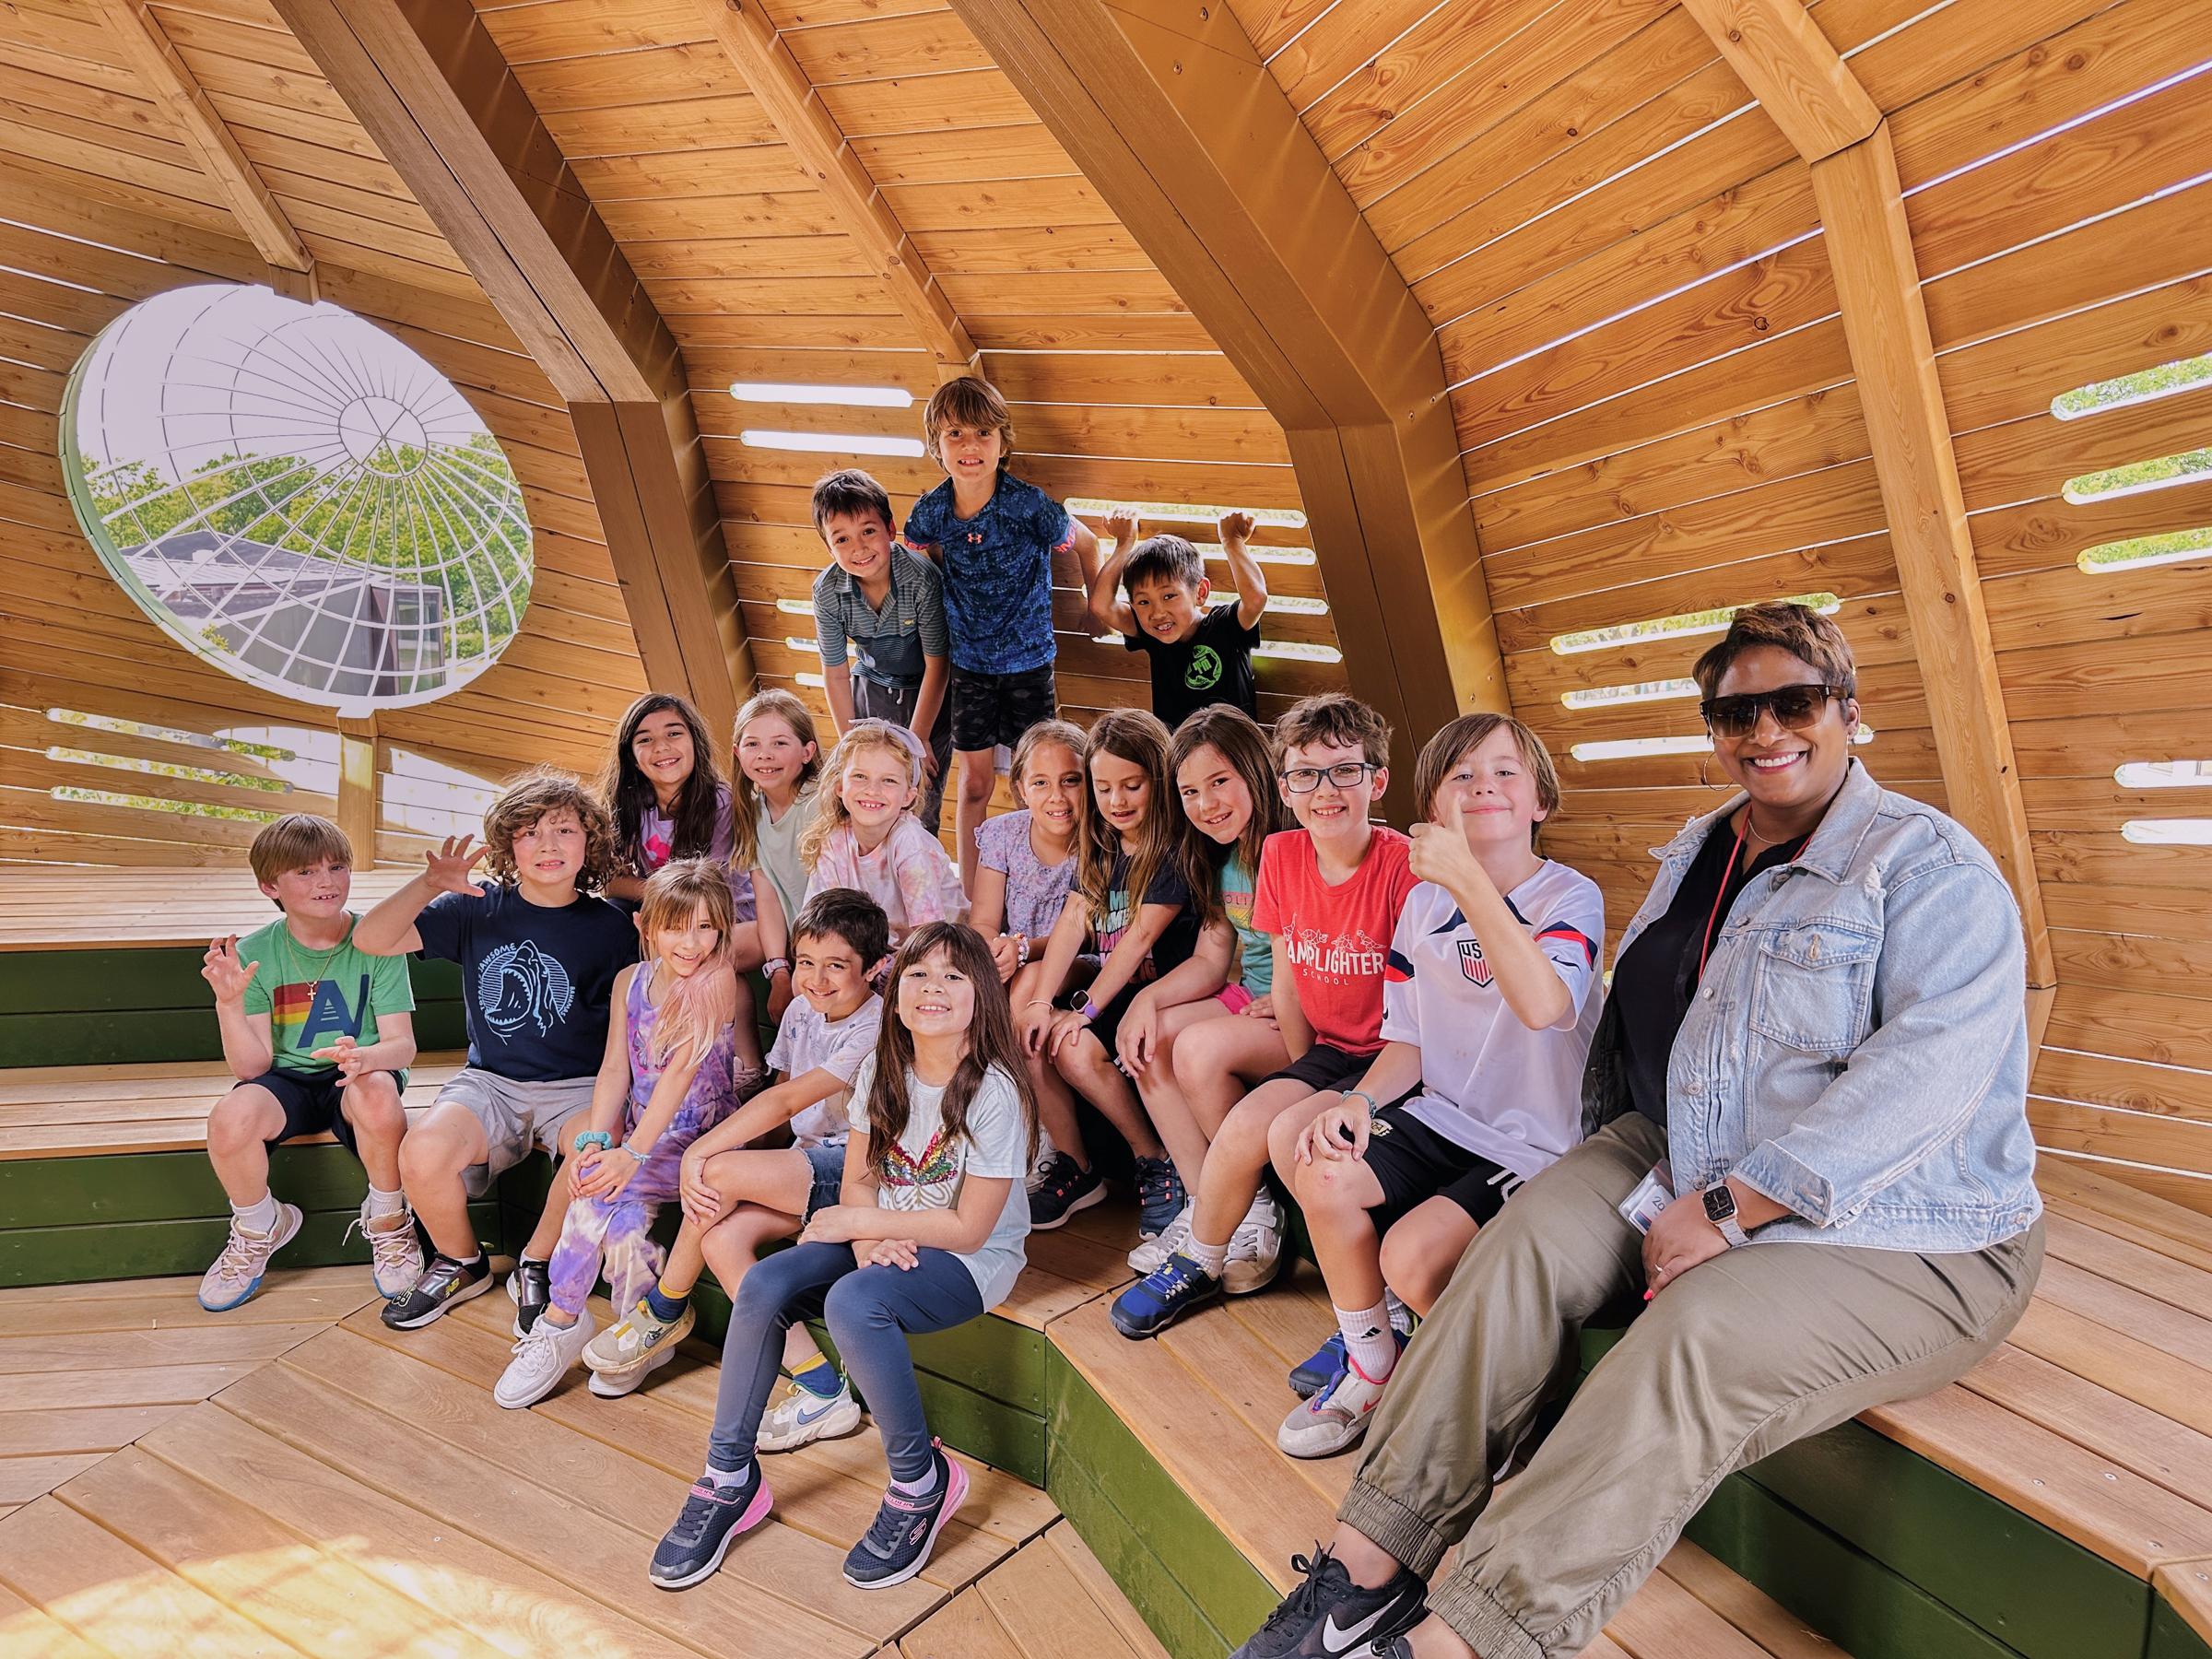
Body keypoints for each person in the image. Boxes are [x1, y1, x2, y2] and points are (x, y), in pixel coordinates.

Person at [1230, 603, 2046, 1659]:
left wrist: (1729, 1204)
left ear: (1849, 711)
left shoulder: (1926, 867)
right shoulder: (1705, 849)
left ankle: (1469, 1638)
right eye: (1735, 711)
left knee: (1688, 1341)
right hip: (1682, 1144)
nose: (1764, 731)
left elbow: (1925, 1080)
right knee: (1513, 1255)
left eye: (1793, 702)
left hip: (1906, 1222)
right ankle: (1366, 1564)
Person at [649, 923, 1036, 1594]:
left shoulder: (995, 1091)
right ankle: (729, 1478)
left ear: (984, 998)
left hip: (971, 1259)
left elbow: (971, 1226)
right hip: (883, 1230)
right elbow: (858, 1178)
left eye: (953, 976)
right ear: (896, 989)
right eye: (917, 974)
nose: (932, 989)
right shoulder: (884, 1071)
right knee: (767, 1283)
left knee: (855, 1301)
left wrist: (864, 1222)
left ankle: (921, 1484)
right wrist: (865, 1239)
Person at [1276, 713, 1604, 1458]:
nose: (1484, 784)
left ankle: (1509, 1396)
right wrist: (1356, 1101)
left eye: (1505, 772)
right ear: (1435, 808)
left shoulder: (1570, 897)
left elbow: (1546, 1005)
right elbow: (1409, 1043)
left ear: (1539, 803)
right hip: (1444, 1114)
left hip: (1535, 1144)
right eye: (1462, 774)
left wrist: (1466, 879)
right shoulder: (1423, 906)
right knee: (1321, 1164)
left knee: (1412, 1260)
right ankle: (1373, 1367)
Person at [1111, 692, 1418, 1336]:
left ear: (1377, 780)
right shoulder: (1281, 854)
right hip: (1328, 1049)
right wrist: (1300, 1072)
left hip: (1392, 1053)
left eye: (1343, 772)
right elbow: (1287, 970)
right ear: (1286, 784)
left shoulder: (1402, 867)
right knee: (1251, 1121)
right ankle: (1202, 1254)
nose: (1325, 791)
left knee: (1291, 1135)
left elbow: (1424, 1006)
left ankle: (1373, 1310)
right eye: (1307, 775)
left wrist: (1323, 1085)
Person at [582, 888, 888, 1440]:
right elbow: (778, 1093)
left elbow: (786, 1101)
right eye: (806, 964)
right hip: (804, 1168)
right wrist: (751, 1160)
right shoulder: (802, 1009)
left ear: (874, 967)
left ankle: (664, 1307)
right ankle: (822, 1388)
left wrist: (706, 1154)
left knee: (715, 1169)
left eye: (837, 966)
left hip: (859, 1173)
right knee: (721, 1238)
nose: (817, 979)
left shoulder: (874, 1027)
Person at [356, 768, 639, 1331]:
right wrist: (429, 886)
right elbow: (370, 939)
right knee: (421, 1152)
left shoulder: (614, 928)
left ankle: (536, 1260)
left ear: (590, 842)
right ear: (509, 845)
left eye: (564, 830)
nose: (549, 846)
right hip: (491, 1082)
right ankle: (462, 1261)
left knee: (592, 1150)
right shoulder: (476, 906)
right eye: (530, 832)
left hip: (578, 1086)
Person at [492, 860, 742, 1409]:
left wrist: (630, 1153)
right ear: (646, 927)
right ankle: (610, 1330)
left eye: (707, 927)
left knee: (598, 1199)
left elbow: (679, 1074)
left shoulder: (716, 981)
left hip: (703, 1143)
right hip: (639, 1139)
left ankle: (570, 1323)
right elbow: (614, 1070)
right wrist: (597, 1142)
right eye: (677, 926)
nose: (693, 942)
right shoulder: (631, 982)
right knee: (613, 1219)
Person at [195, 814, 419, 1312]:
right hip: (287, 1077)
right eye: (306, 872)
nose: (326, 881)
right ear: (269, 885)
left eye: (337, 866)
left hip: (360, 1072)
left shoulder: (376, 942)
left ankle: (388, 1217)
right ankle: (259, 1225)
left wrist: (365, 1059)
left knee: (379, 1092)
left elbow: (402, 1046)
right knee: (229, 1119)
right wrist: (228, 1004)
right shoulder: (255, 953)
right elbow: (253, 1069)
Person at [900, 375, 1100, 888]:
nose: (970, 447)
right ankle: (974, 900)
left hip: (1030, 665)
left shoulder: (1029, 506)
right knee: (974, 786)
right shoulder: (931, 513)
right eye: (956, 435)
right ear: (936, 446)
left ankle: (1050, 887)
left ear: (1003, 442)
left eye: (984, 434)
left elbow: (1088, 543)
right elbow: (922, 563)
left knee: (1038, 786)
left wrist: (1094, 606)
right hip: (970, 668)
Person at [1021, 710, 1208, 1238]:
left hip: (1171, 993)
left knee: (1077, 1042)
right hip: (1122, 989)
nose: (1118, 802)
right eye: (1104, 788)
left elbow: (1139, 940)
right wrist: (1040, 1002)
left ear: (1158, 780)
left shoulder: (1171, 848)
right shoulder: (1102, 846)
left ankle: (1159, 1164)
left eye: (1132, 786)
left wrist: (1084, 1011)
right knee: (1043, 1036)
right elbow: (1071, 922)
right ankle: (1105, 1164)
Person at [1119, 706, 1291, 1274]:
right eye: (1190, 792)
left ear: (1256, 771)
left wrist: (1294, 1003)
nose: (1206, 805)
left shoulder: (1290, 846)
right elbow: (1212, 959)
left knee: (1198, 1048)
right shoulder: (1218, 857)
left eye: (1220, 782)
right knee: (1150, 1040)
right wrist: (1146, 1001)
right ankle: (1206, 1206)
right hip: (1255, 997)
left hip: (1298, 1014)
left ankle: (1255, 1208)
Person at [595, 691, 766, 1083]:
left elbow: (713, 890)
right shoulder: (626, 805)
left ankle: (748, 1071)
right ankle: (646, 1062)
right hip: (667, 923)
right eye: (645, 739)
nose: (662, 748)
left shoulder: (719, 801)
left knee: (712, 964)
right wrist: (661, 902)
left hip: (727, 917)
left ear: (694, 741)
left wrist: (667, 906)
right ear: (630, 754)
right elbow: (612, 881)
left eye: (674, 734)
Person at [810, 468, 954, 833]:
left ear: (890, 530)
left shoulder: (921, 579)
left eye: (868, 531)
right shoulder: (827, 591)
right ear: (828, 547)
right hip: (872, 689)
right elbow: (836, 671)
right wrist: (849, 743)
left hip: (927, 695)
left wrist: (918, 739)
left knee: (919, 799)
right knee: (865, 794)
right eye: (841, 539)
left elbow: (938, 665)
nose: (858, 548)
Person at [1088, 508, 1267, 729]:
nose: (1158, 613)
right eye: (1144, 602)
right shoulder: (1150, 632)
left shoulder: (1225, 625)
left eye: (1169, 596)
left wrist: (1232, 541)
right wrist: (1124, 543)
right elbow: (1101, 605)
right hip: (1179, 754)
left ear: (1200, 593)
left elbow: (1256, 599)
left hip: (1234, 751)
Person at [800, 719, 968, 947]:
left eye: (888, 780)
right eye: (860, 777)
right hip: (880, 952)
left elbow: (929, 936)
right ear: (839, 786)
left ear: (908, 796)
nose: (872, 790)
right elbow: (822, 921)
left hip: (941, 947)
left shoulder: (909, 841)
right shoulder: (835, 840)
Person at [728, 688, 823, 1024]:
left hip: (831, 936)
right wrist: (779, 970)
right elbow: (766, 897)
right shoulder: (752, 812)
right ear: (738, 753)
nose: (765, 755)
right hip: (794, 937)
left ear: (807, 752)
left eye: (780, 743)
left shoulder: (819, 804)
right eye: (753, 744)